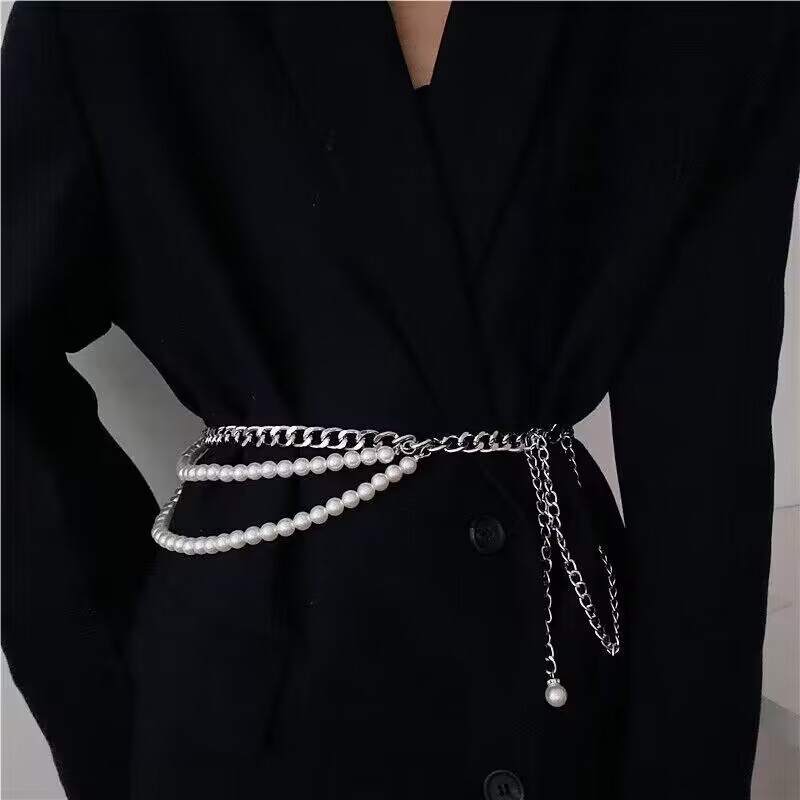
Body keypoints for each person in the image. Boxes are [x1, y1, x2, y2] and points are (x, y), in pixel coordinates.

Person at [3, 3, 799, 799]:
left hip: (548, 684)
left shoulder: (708, 21)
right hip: (237, 700)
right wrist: (114, 714)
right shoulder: (103, 15)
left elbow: (707, 459)